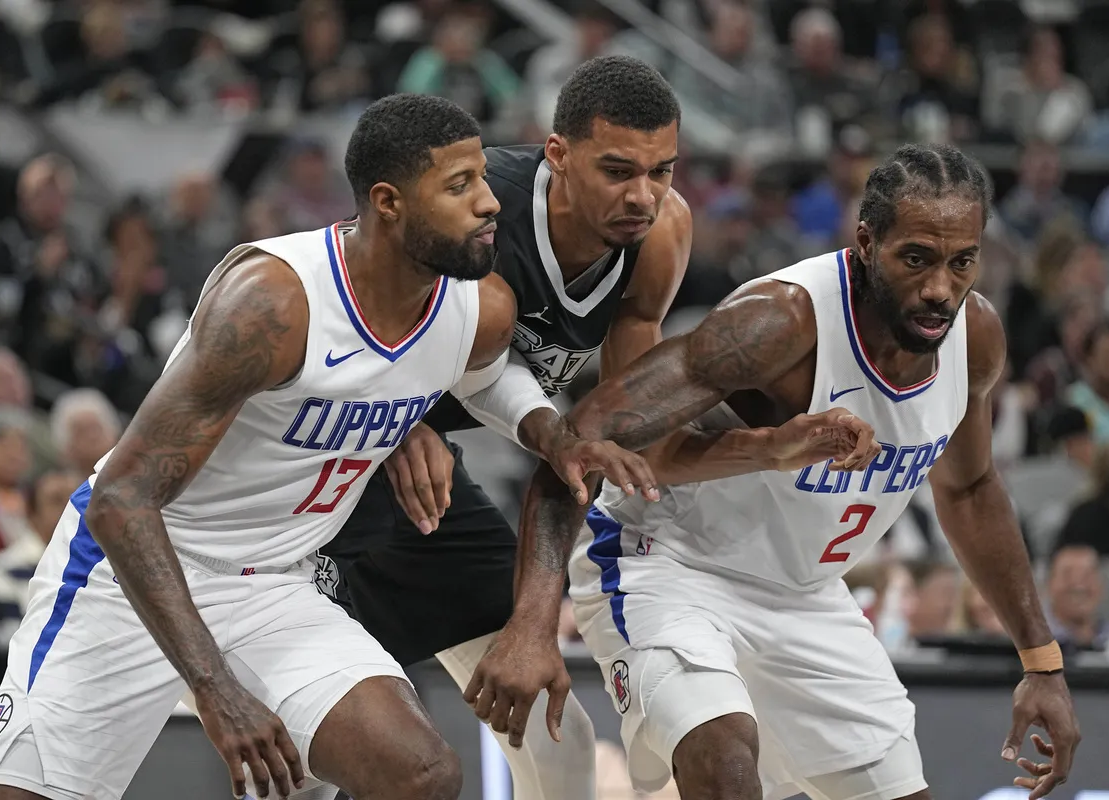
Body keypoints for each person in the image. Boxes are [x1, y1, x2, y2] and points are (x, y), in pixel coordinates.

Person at [0, 94, 650, 800]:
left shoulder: (475, 307)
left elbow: (488, 381)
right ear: (388, 202)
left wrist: (550, 433)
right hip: (134, 569)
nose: (488, 203)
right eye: (460, 186)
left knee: (422, 775)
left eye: (483, 179)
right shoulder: (273, 302)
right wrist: (216, 688)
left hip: (273, 583)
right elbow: (121, 500)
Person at [316, 57, 875, 800]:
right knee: (304, 745)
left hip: (427, 484)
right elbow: (342, 279)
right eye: (617, 170)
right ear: (558, 156)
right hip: (320, 463)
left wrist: (770, 449)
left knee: (554, 732)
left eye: (662, 170)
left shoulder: (659, 235)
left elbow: (627, 443)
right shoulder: (479, 212)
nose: (643, 195)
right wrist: (389, 412)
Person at [469, 143, 1082, 800]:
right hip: (670, 563)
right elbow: (580, 443)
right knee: (725, 761)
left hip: (805, 592)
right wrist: (534, 623)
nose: (940, 288)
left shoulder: (975, 335)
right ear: (866, 242)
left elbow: (968, 487)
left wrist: (1041, 662)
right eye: (916, 260)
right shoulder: (781, 321)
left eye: (962, 262)